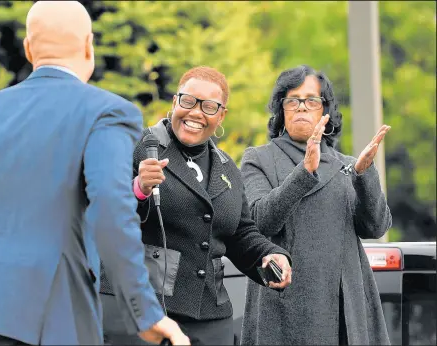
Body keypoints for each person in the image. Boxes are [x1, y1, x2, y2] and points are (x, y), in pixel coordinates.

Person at [0, 1, 189, 345]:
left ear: (28, 48)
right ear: (88, 45)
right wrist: (145, 312)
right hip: (50, 318)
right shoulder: (107, 112)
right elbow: (111, 207)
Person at [100, 66, 293, 345]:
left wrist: (270, 255)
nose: (196, 113)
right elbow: (101, 212)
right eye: (188, 101)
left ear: (221, 115)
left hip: (209, 319)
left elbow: (240, 234)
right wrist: (138, 189)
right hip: (141, 312)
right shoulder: (134, 147)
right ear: (175, 102)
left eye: (209, 106)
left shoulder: (228, 169)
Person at [239, 64, 392, 345]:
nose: (301, 107)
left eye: (311, 100)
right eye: (292, 100)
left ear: (325, 111)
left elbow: (376, 227)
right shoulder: (258, 159)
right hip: (282, 308)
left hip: (344, 308)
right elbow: (258, 221)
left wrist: (365, 174)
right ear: (281, 110)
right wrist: (304, 173)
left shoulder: (348, 166)